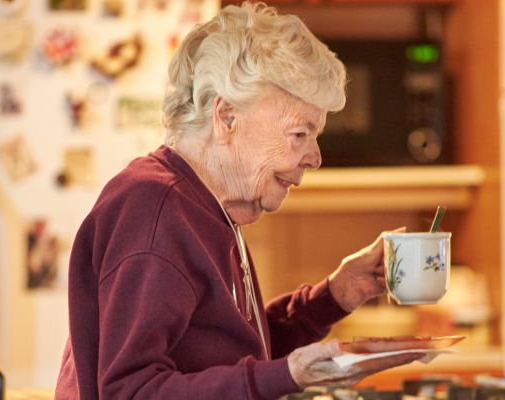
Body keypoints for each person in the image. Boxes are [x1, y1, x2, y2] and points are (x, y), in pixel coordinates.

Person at [55, 3, 422, 399]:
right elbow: (131, 392)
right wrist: (287, 375)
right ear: (226, 116)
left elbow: (232, 355)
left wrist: (334, 296)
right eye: (300, 134)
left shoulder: (204, 207)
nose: (315, 158)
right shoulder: (153, 210)